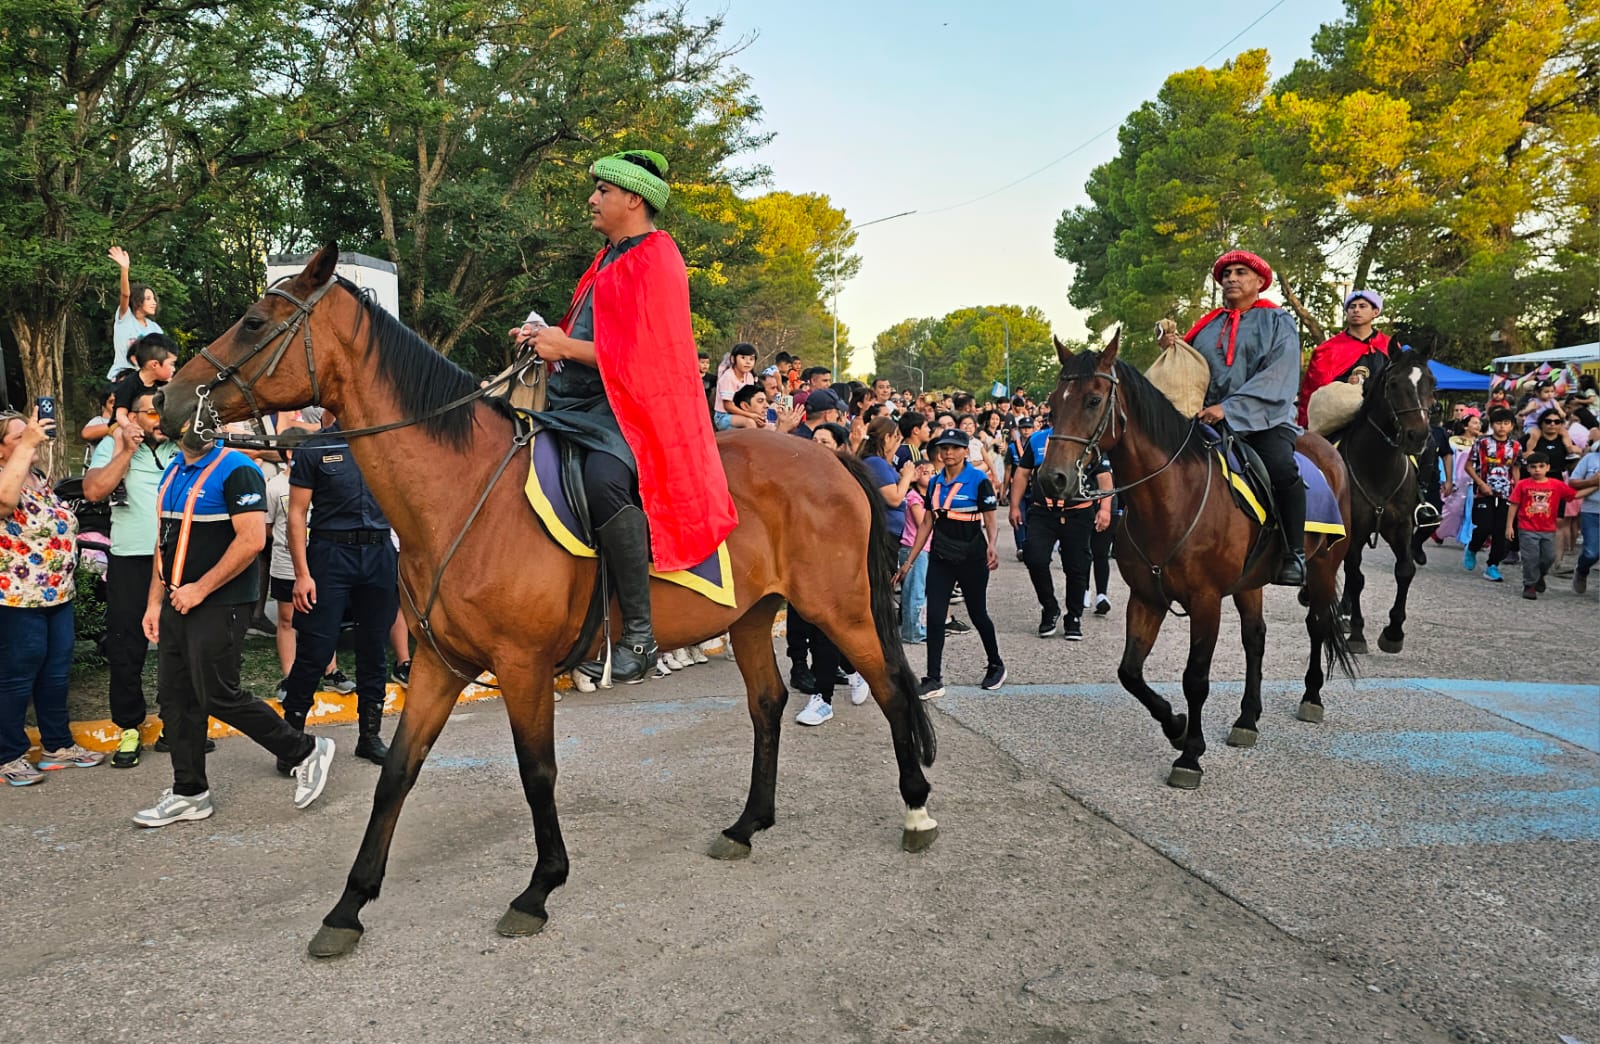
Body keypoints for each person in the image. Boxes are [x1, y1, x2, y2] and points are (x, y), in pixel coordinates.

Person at [526, 149, 738, 684]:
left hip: (636, 408)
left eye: (603, 191)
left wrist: (564, 347)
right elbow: (588, 336)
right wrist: (545, 338)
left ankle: (640, 636)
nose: (592, 199)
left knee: (603, 482)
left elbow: (647, 357)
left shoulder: (658, 258)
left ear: (634, 200)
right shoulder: (605, 259)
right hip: (584, 404)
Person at [133, 425, 333, 826]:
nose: (197, 424)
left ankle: (305, 750)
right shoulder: (173, 469)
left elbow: (252, 540)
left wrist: (200, 589)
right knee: (176, 698)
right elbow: (164, 543)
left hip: (220, 603)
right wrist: (154, 602)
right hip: (177, 601)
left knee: (217, 694)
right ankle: (189, 792)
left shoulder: (238, 469)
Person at [1162, 249, 1306, 584]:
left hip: (1266, 418)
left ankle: (1294, 553)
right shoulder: (1207, 326)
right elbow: (1190, 368)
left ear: (1259, 282)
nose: (1231, 279)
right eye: (1226, 274)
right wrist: (1173, 347)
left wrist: (1229, 408)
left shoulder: (1278, 321)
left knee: (1281, 468)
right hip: (1207, 417)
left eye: (1241, 273)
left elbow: (1279, 374)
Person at [276, 416, 400, 765]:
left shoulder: (385, 440)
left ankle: (370, 736)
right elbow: (297, 513)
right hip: (330, 554)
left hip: (378, 551)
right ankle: (291, 740)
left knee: (374, 648)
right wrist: (302, 574)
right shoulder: (316, 447)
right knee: (315, 650)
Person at [1, 408, 105, 787]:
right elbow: (4, 503)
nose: (31, 438)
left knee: (55, 673)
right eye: (19, 435)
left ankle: (57, 746)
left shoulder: (39, 478)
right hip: (16, 598)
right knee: (16, 676)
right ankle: (8, 755)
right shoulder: (6, 478)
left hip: (58, 593)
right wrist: (27, 445)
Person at [83, 388, 181, 768]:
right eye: (151, 413)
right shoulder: (114, 445)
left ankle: (175, 721)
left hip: (177, 560)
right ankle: (129, 726)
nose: (159, 420)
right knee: (126, 647)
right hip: (131, 559)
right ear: (133, 416)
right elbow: (94, 491)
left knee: (179, 644)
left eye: (163, 412)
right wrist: (125, 449)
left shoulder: (179, 447)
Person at [895, 429, 1004, 698]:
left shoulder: (979, 480)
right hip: (941, 556)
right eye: (944, 448)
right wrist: (909, 562)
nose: (948, 452)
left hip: (972, 555)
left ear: (966, 451)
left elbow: (990, 518)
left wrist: (992, 545)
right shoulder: (935, 482)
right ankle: (933, 679)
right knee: (934, 616)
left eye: (955, 448)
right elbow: (927, 522)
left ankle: (996, 664)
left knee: (978, 613)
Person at [1009, 417, 1112, 642]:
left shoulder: (1089, 441)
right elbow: (1023, 473)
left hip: (1078, 512)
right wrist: (1015, 505)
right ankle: (1049, 607)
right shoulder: (1037, 440)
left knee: (1077, 567)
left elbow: (1104, 476)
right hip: (1042, 511)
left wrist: (1105, 509)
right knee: (1034, 558)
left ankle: (1073, 616)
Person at [1297, 290, 1391, 428]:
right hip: (1337, 419)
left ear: (1375, 312)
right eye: (1352, 307)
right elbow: (1316, 390)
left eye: (1362, 306)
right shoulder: (1329, 349)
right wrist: (1346, 382)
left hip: (1382, 417)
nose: (1356, 310)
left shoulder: (1388, 346)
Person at [1506, 452, 1579, 599]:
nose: (1537, 470)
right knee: (1530, 557)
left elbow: (1574, 495)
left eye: (1541, 466)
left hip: (1548, 529)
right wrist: (1509, 526)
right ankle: (1529, 585)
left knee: (1549, 557)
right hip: (1527, 527)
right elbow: (1514, 505)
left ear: (1548, 467)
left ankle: (1540, 575)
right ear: (1528, 468)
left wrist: (1594, 486)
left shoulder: (1556, 484)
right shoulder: (1523, 484)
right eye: (1533, 467)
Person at [1464, 407, 1522, 582]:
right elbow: (1468, 466)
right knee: (1484, 527)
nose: (1502, 427)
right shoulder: (1482, 443)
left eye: (1506, 423)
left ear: (1511, 426)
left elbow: (1516, 469)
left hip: (1507, 494)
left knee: (1501, 531)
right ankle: (1472, 548)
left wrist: (1518, 490)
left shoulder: (1516, 446)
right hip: (1483, 492)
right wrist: (1481, 484)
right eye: (1498, 423)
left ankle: (1493, 565)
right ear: (1491, 425)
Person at [107, 246, 162, 382]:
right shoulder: (125, 318)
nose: (154, 302)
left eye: (154, 299)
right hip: (123, 378)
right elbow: (125, 295)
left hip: (146, 382)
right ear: (137, 300)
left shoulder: (155, 328)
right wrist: (124, 269)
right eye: (148, 298)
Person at [112, 333, 177, 429]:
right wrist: (130, 428)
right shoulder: (129, 384)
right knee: (119, 432)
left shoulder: (165, 384)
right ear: (154, 364)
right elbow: (120, 414)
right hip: (124, 424)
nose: (174, 369)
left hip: (154, 425)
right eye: (171, 364)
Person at [1567, 432, 1600, 594]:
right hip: (1591, 511)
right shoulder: (1590, 459)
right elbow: (1572, 482)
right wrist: (1592, 482)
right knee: (1591, 553)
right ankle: (1581, 570)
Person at [713, 342, 759, 430]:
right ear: (733, 359)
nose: (748, 362)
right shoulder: (728, 377)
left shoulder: (749, 376)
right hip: (724, 415)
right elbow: (728, 406)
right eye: (743, 358)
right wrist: (750, 415)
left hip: (742, 413)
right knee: (749, 422)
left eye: (751, 359)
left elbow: (749, 399)